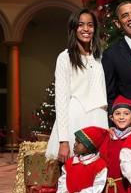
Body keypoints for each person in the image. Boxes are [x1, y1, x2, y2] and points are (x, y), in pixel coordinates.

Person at [46, 9, 109, 163]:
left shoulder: (99, 57)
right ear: (73, 29)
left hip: (99, 119)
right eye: (81, 25)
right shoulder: (65, 58)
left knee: (98, 171)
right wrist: (64, 141)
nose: (86, 29)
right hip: (76, 118)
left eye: (90, 25)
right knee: (74, 174)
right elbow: (61, 101)